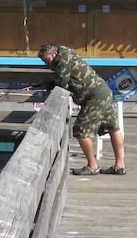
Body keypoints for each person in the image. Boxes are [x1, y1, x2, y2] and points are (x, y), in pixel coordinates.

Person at [38, 43, 126, 175]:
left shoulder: (62, 59)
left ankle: (92, 166)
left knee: (80, 130)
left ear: (54, 53)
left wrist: (50, 85)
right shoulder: (67, 54)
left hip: (93, 97)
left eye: (46, 59)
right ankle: (120, 166)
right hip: (103, 91)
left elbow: (62, 83)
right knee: (113, 127)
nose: (46, 63)